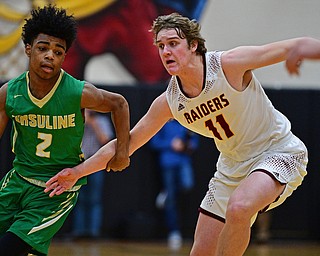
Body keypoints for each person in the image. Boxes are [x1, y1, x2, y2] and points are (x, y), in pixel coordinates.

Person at [45, 13, 309, 256]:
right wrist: (78, 172)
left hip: (277, 150)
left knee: (239, 207)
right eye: (161, 46)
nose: (166, 51)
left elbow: (289, 48)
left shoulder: (228, 65)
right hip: (232, 166)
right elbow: (127, 143)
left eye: (173, 43)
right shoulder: (168, 102)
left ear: (193, 45)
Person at [0, 5, 130, 256]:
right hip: (17, 181)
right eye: (43, 48)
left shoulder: (76, 92)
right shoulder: (9, 93)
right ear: (28, 49)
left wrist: (122, 151)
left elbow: (119, 103)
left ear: (64, 57)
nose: (50, 55)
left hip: (55, 190)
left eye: (58, 51)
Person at [149, 119, 199, 251]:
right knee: (171, 200)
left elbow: (195, 142)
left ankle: (166, 193)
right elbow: (154, 142)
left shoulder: (187, 121)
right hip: (167, 162)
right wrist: (171, 144)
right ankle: (174, 231)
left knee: (187, 185)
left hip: (183, 161)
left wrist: (186, 145)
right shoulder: (163, 122)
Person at [71, 110, 114, 239]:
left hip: (96, 165)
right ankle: (78, 231)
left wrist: (94, 124)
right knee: (78, 199)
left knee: (94, 199)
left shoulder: (102, 121)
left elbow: (106, 140)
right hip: (79, 163)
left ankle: (93, 232)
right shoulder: (76, 120)